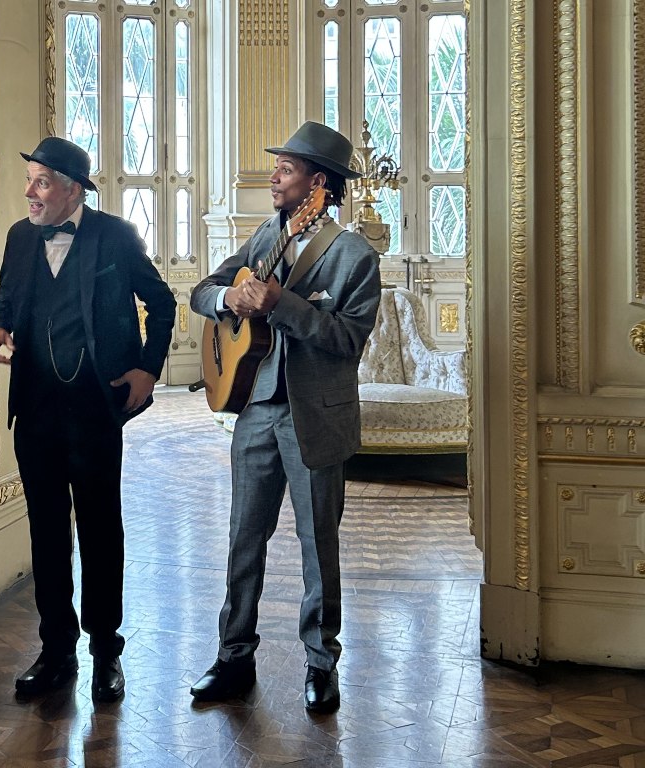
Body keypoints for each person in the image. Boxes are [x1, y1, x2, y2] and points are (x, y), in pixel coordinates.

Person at [188, 121, 381, 713]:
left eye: (286, 169)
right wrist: (229, 299)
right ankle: (233, 657)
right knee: (243, 538)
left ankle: (321, 664)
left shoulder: (355, 255)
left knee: (318, 544)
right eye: (276, 167)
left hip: (315, 419)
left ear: (318, 184)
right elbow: (203, 291)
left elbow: (347, 340)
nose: (273, 177)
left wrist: (283, 305)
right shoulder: (265, 235)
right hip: (253, 411)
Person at [0, 137, 176, 702]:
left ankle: (105, 652)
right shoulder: (20, 236)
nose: (30, 191)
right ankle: (56, 651)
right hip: (35, 408)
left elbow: (162, 302)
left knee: (99, 530)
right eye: (30, 180)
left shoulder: (115, 236)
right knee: (46, 532)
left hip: (96, 407)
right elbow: (7, 295)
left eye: (41, 182)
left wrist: (148, 370)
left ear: (72, 191)